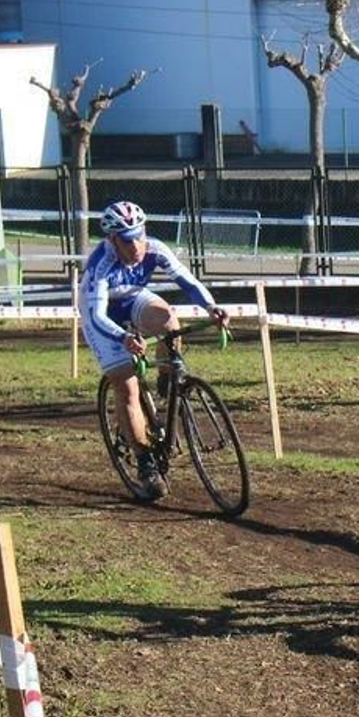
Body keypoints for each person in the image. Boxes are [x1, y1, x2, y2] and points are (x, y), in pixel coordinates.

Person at [80, 201, 229, 498]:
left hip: (132, 298)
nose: (136, 245)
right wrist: (123, 337)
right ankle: (146, 463)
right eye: (127, 240)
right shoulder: (101, 265)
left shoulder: (155, 249)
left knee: (169, 320)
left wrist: (212, 307)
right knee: (127, 387)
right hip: (103, 316)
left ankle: (167, 378)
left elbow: (187, 281)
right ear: (113, 240)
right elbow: (97, 316)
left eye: (139, 235)